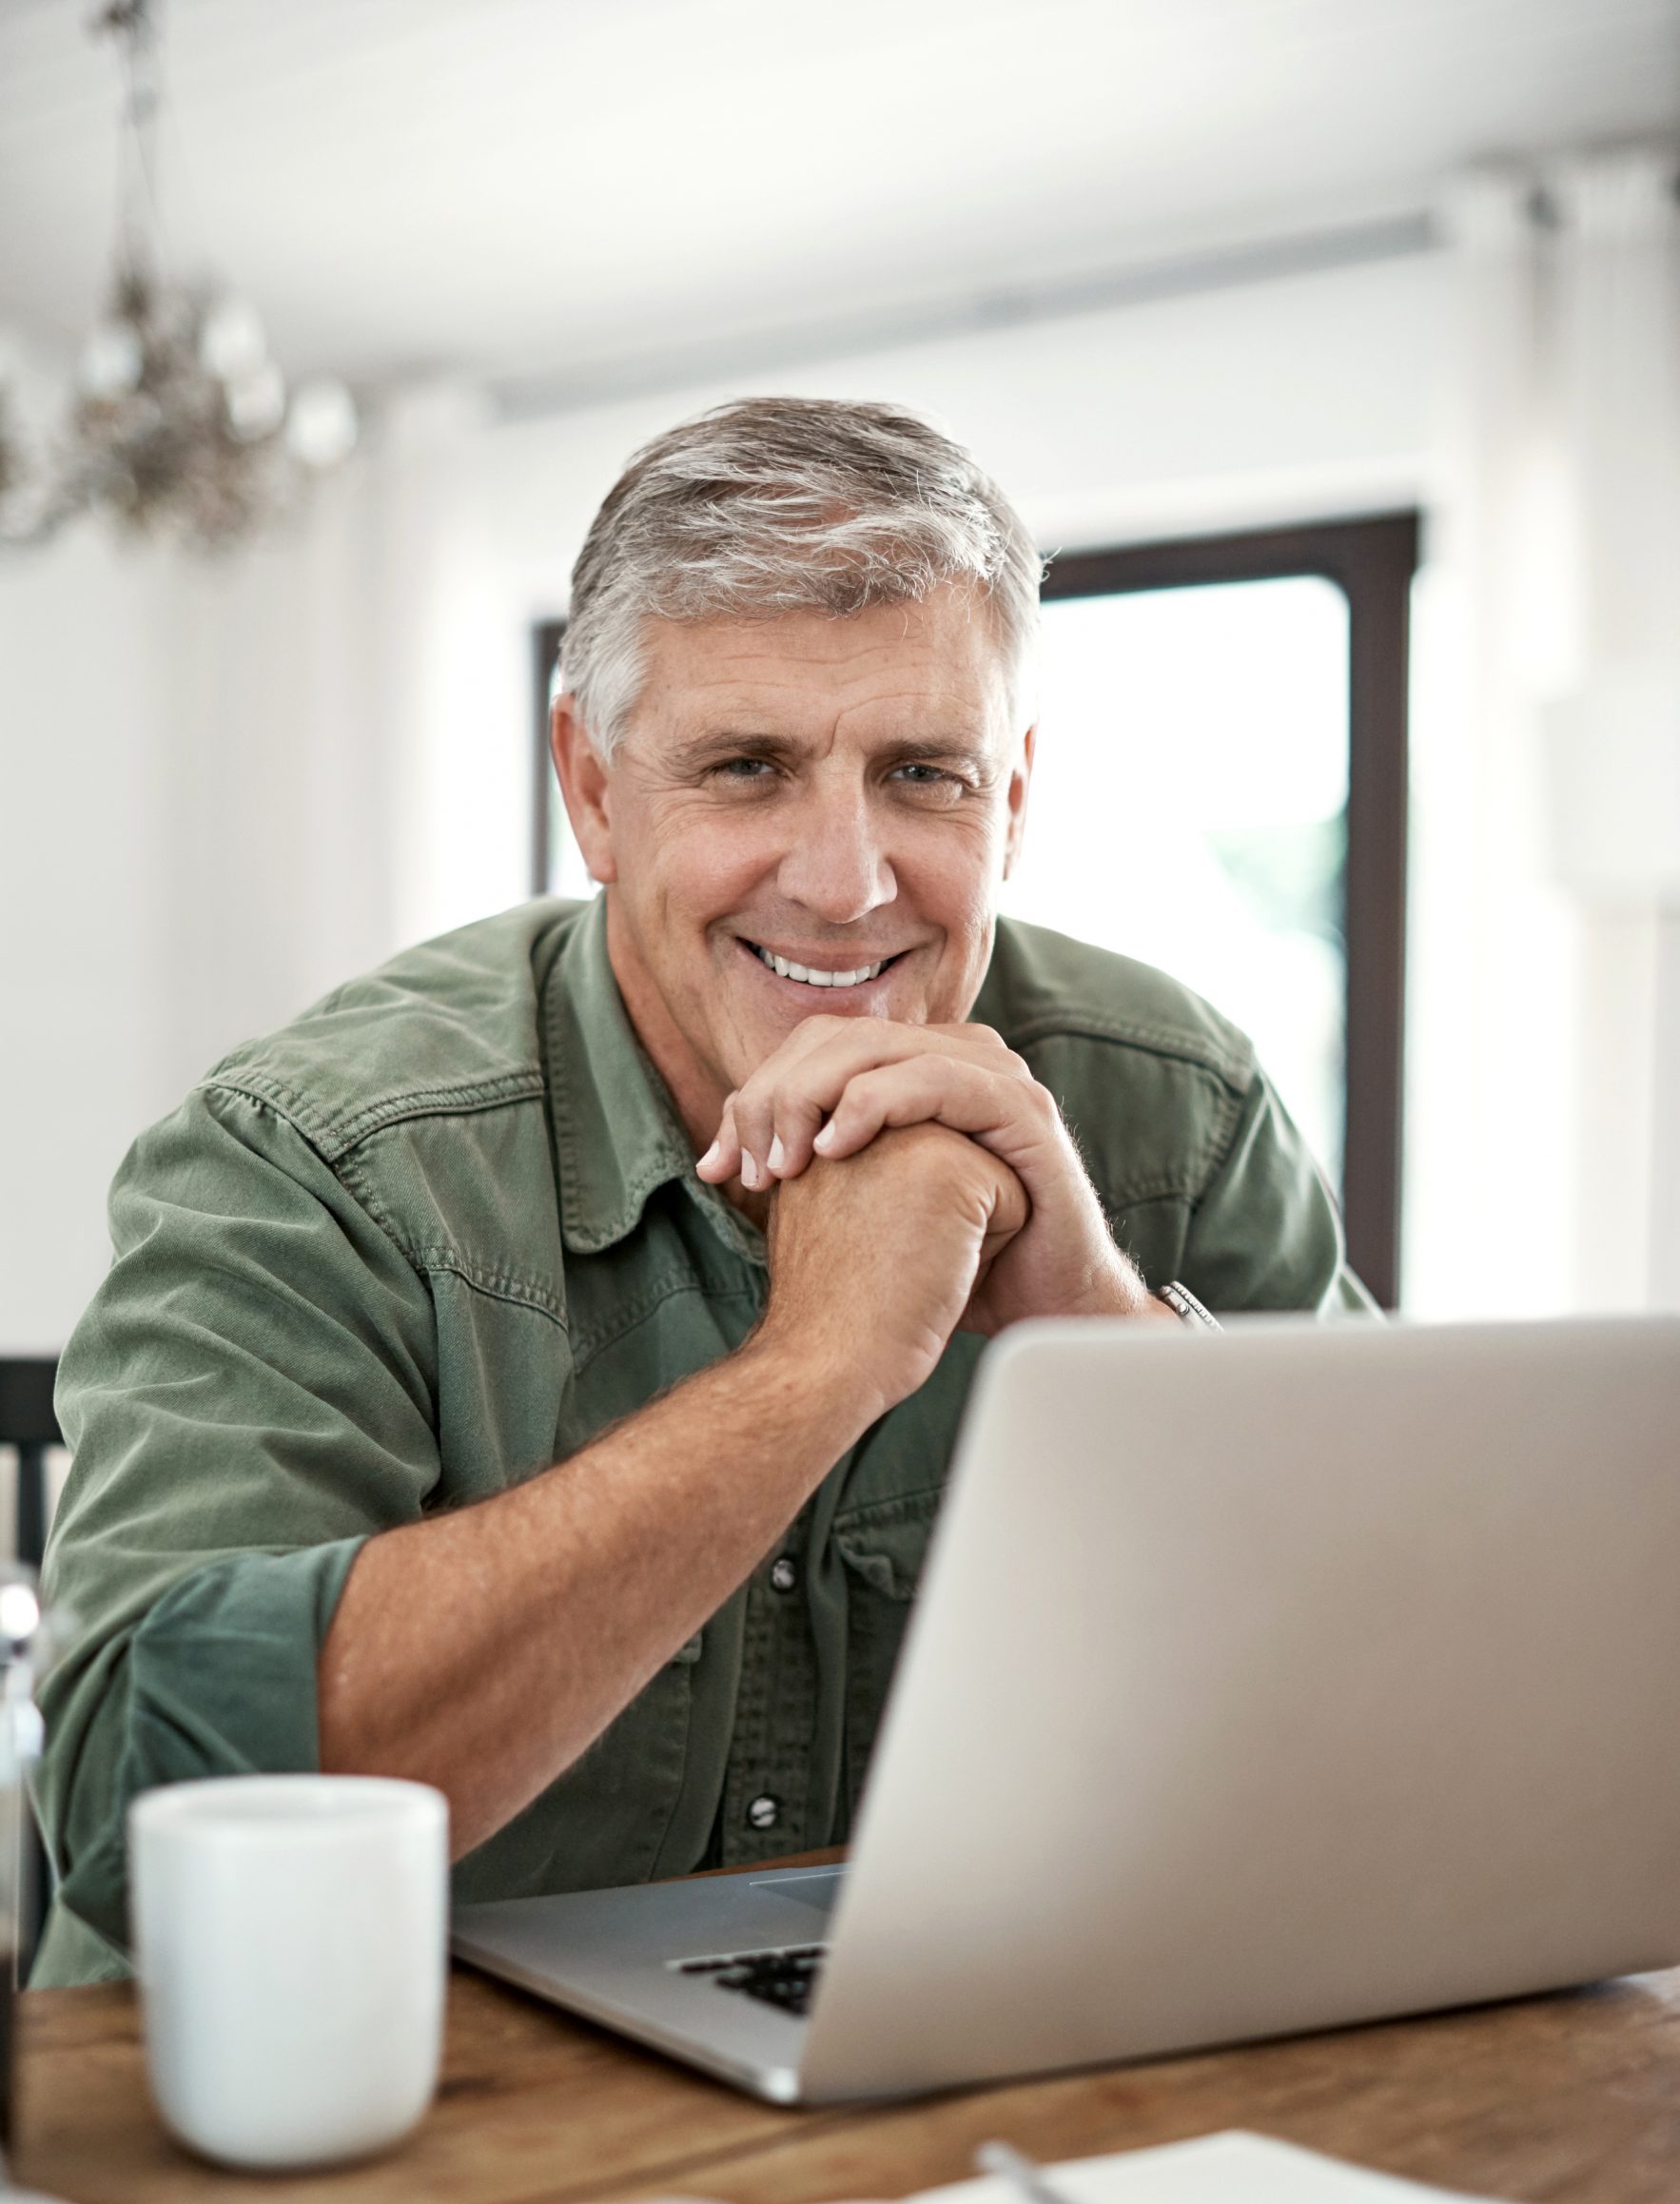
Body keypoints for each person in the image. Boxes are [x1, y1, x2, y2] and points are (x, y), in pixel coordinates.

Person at [34, 397, 1371, 1985]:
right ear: (592, 788)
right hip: (352, 2119)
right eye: (746, 768)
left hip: (948, 2082)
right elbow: (146, 1814)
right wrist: (818, 1368)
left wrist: (1098, 1327)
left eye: (924, 775)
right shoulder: (308, 1155)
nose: (845, 881)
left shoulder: (1176, 1107)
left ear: (1013, 794)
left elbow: (1410, 1692)